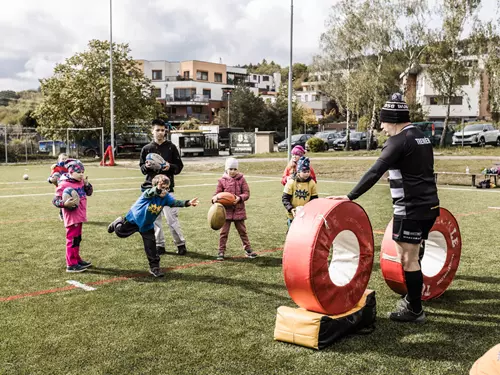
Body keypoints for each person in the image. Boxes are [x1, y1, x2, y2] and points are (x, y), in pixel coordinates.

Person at [330, 93, 439, 323]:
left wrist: (350, 196)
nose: (381, 127)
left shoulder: (398, 141)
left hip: (409, 209)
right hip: (430, 206)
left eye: (383, 121)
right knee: (413, 254)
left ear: (394, 119)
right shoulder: (422, 137)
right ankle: (413, 297)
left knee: (407, 258)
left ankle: (415, 310)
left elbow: (375, 171)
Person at [107, 175, 199, 277]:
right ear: (155, 186)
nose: (165, 191)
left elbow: (174, 202)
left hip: (147, 225)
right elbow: (150, 192)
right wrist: (157, 189)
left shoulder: (166, 198)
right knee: (120, 233)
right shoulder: (148, 194)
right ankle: (118, 221)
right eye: (162, 188)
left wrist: (188, 203)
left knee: (151, 248)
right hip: (134, 220)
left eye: (167, 188)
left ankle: (154, 268)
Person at [139, 119, 187, 256]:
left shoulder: (171, 147)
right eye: (157, 130)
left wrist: (170, 167)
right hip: (152, 191)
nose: (160, 132)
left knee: (172, 219)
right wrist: (146, 166)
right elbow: (142, 168)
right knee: (155, 219)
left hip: (167, 191)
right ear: (152, 131)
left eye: (162, 130)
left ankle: (180, 244)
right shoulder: (146, 149)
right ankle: (160, 245)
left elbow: (179, 167)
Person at [52, 160, 93, 273]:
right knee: (72, 239)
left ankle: (76, 259)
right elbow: (55, 200)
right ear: (70, 172)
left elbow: (89, 193)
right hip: (72, 217)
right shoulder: (64, 184)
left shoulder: (81, 182)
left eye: (82, 172)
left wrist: (87, 184)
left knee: (77, 239)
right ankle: (71, 264)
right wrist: (64, 204)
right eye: (78, 172)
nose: (81, 174)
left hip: (80, 216)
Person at [212, 158, 257, 261]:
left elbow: (246, 193)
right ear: (226, 169)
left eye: (235, 169)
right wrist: (214, 199)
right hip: (225, 212)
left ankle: (248, 249)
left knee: (243, 231)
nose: (232, 171)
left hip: (239, 210)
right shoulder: (221, 181)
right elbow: (217, 194)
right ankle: (221, 251)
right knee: (223, 233)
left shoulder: (242, 179)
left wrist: (239, 198)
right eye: (230, 169)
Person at [282, 156, 318, 228]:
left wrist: (309, 209)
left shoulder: (312, 183)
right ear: (298, 171)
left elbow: (314, 199)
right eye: (304, 172)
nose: (307, 174)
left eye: (308, 171)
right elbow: (285, 198)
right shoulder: (291, 182)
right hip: (292, 214)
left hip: (306, 214)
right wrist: (291, 209)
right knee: (292, 232)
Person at [48, 153, 69, 221]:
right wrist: (50, 180)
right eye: (62, 159)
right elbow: (51, 177)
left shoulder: (69, 168)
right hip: (60, 188)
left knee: (68, 199)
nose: (64, 160)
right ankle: (61, 214)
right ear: (59, 160)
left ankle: (68, 214)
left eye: (66, 159)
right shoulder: (57, 168)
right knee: (62, 201)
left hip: (69, 187)